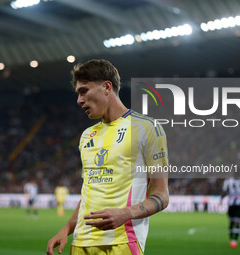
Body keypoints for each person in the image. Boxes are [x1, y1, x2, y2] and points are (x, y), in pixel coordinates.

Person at [47, 59, 169, 255]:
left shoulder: (147, 128)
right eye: (78, 94)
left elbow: (162, 196)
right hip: (80, 243)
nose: (79, 100)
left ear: (106, 87)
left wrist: (126, 213)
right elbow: (89, 191)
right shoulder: (87, 136)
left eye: (84, 91)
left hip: (122, 242)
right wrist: (67, 228)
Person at [220, 175, 240, 249]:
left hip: (235, 204)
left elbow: (224, 191)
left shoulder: (229, 180)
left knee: (234, 222)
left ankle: (233, 240)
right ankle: (233, 240)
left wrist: (221, 199)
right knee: (234, 222)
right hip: (236, 204)